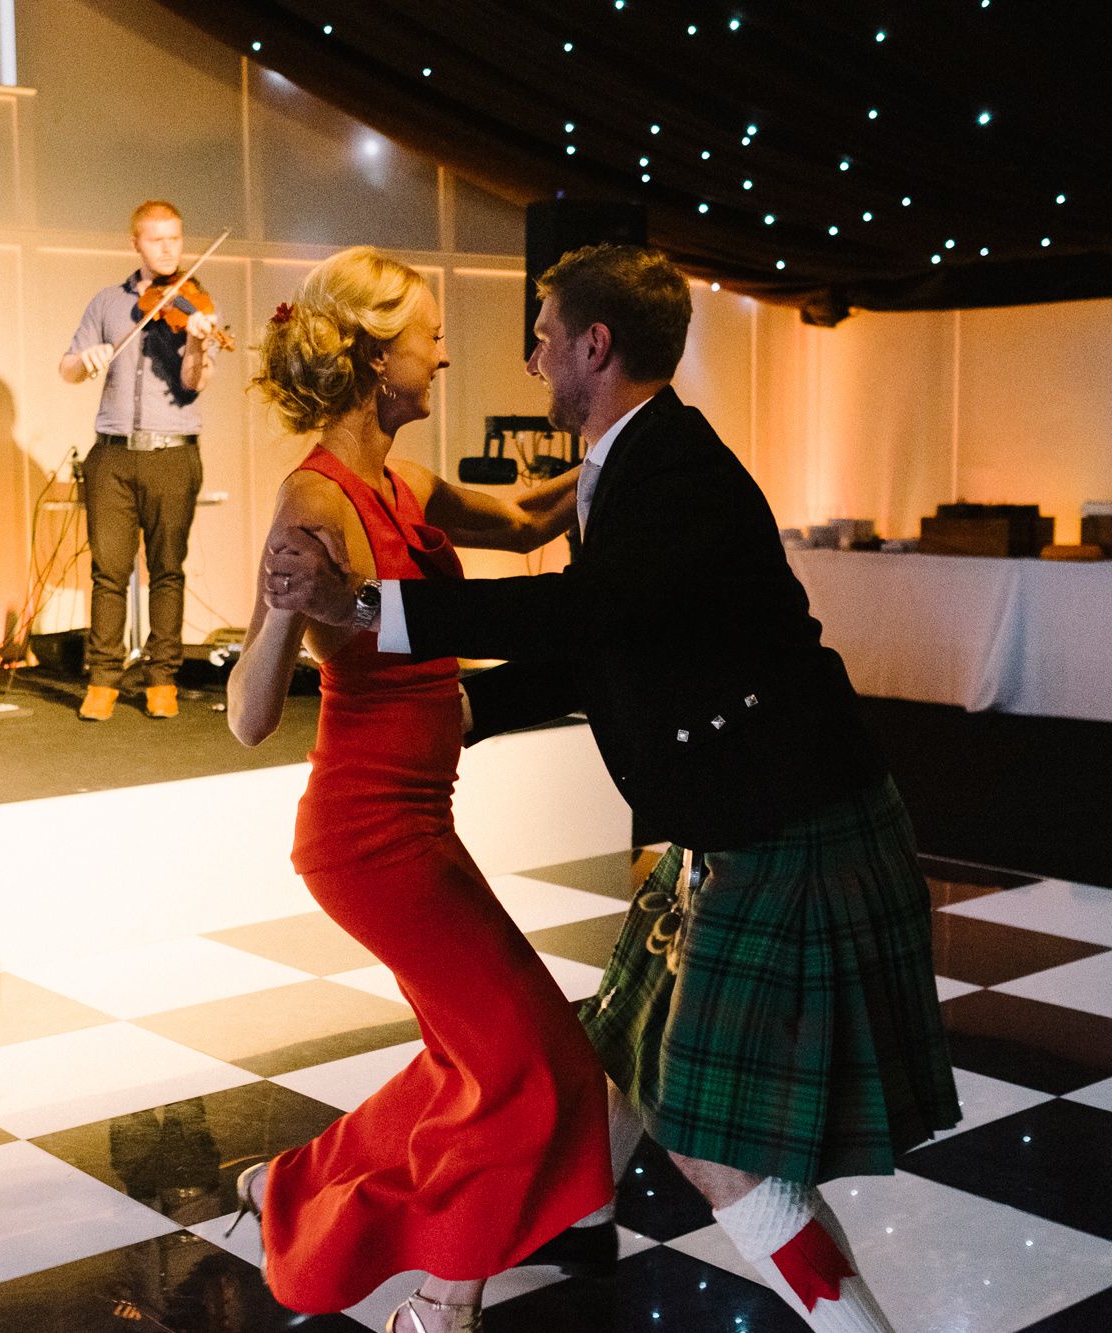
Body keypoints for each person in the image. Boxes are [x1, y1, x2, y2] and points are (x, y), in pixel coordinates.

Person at [265, 244, 961, 1333]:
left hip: (784, 826)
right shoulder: (622, 460)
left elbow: (578, 614)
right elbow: (610, 634)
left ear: (594, 346)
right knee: (607, 1056)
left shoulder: (670, 467)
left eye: (543, 331)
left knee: (713, 1152)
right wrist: (476, 709)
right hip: (722, 822)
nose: (525, 350)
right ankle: (507, 1259)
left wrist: (369, 609)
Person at [226, 247, 607, 1333]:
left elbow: (533, 520)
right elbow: (251, 716)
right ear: (369, 354)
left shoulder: (405, 483)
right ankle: (440, 1303)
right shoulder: (317, 494)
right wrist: (274, 611)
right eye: (427, 333)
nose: (443, 350)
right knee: (532, 1063)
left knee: (470, 1054)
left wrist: (635, 444)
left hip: (416, 820)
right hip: (363, 835)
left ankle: (289, 1186)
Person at [58, 199, 224, 722]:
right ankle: (103, 679)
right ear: (136, 243)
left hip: (172, 454)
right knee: (109, 571)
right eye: (157, 240)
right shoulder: (108, 303)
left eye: (176, 238)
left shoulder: (195, 307)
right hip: (111, 456)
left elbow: (195, 385)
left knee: (167, 570)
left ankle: (161, 679)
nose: (170, 249)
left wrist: (197, 348)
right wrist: (84, 363)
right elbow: (66, 367)